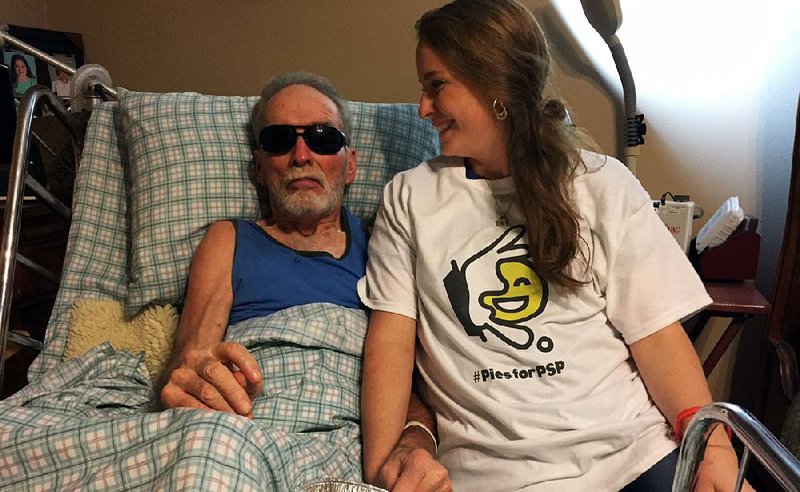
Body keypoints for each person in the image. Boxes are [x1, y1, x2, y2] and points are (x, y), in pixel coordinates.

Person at [358, 1, 751, 491]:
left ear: (495, 85)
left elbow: (656, 338)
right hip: (494, 476)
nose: (423, 108)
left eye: (436, 86)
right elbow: (391, 342)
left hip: (634, 462)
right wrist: (379, 469)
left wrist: (711, 451)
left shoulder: (603, 183)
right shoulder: (410, 198)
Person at [158, 71, 451, 491]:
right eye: (280, 140)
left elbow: (413, 384)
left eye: (323, 137)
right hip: (242, 433)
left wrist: (414, 440)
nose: (301, 155)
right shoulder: (229, 238)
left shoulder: (385, 247)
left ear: (349, 164)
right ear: (260, 168)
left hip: (349, 445)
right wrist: (192, 385)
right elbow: (190, 359)